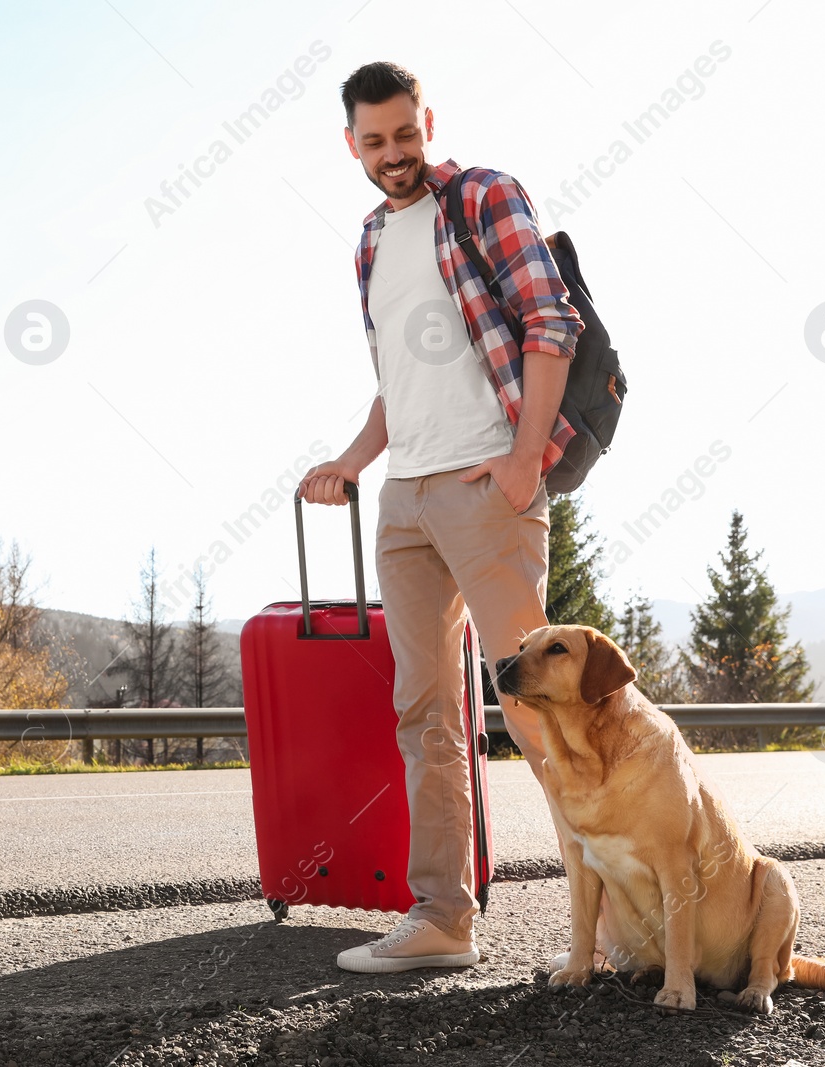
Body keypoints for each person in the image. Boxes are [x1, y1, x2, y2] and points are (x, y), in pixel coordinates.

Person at [298, 61, 584, 973]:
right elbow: (396, 385)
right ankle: (442, 920)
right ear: (351, 144)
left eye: (405, 135)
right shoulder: (371, 243)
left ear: (428, 121)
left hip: (483, 490)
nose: (393, 155)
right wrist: (352, 461)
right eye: (373, 142)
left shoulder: (485, 196)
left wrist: (523, 457)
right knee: (422, 713)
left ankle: (623, 913)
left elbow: (551, 321)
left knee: (542, 708)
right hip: (405, 500)